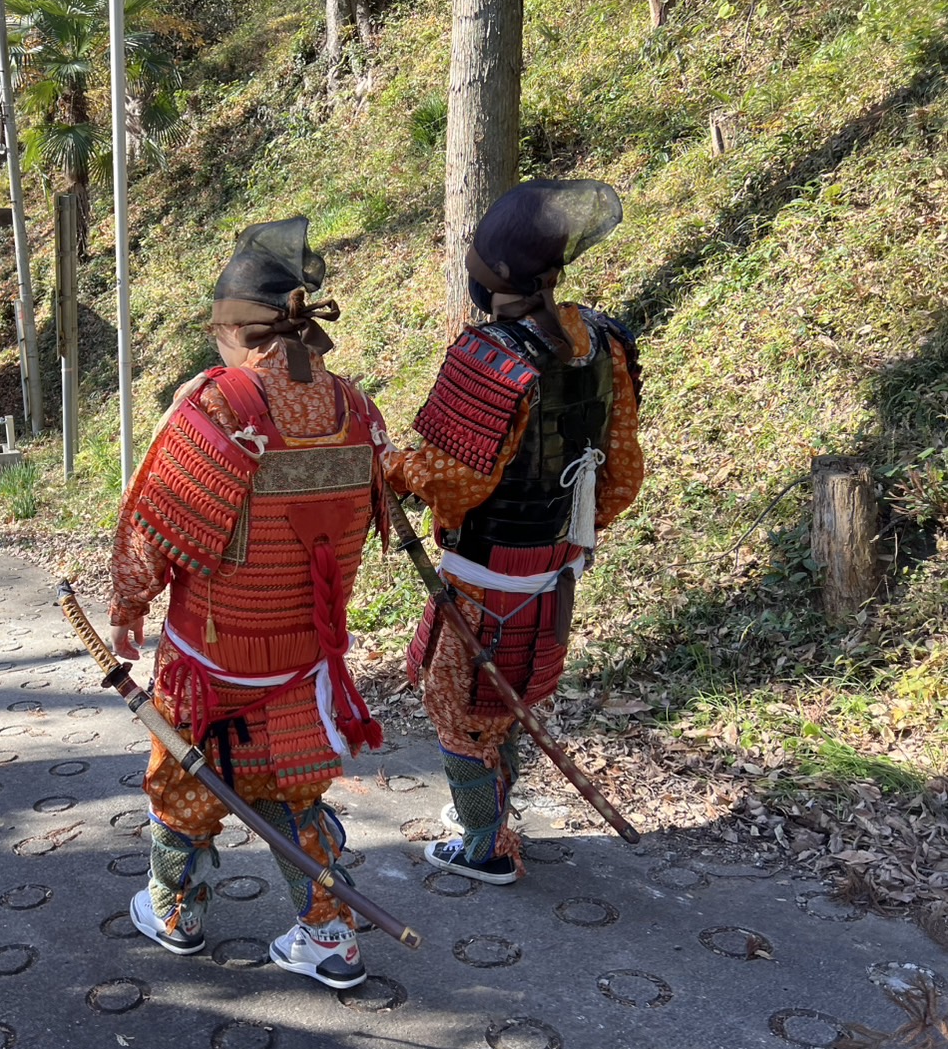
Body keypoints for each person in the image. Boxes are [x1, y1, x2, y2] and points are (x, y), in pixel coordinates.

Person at [109, 217, 389, 990]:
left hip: (213, 654)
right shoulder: (354, 409)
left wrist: (130, 602)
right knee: (296, 789)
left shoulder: (218, 405)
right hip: (307, 652)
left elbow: (156, 524)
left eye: (217, 328)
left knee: (182, 782)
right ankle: (328, 937)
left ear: (238, 328)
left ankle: (176, 913)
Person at [384, 179, 645, 886]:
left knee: (460, 706)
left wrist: (394, 466)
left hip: (486, 575)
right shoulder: (602, 341)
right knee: (509, 692)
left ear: (488, 276)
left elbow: (453, 480)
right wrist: (562, 534)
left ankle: (483, 843)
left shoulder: (489, 355)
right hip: (555, 569)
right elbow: (620, 474)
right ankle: (492, 808)